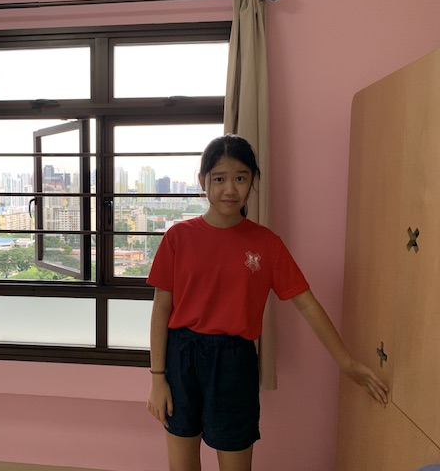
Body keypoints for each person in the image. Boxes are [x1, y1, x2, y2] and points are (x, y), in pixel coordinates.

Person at [146, 134, 389, 471]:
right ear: (203, 181)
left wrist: (346, 362)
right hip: (181, 358)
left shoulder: (266, 244)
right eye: (219, 178)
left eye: (240, 178)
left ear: (252, 181)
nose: (230, 189)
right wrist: (157, 378)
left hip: (235, 363)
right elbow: (161, 309)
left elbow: (306, 304)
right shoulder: (178, 237)